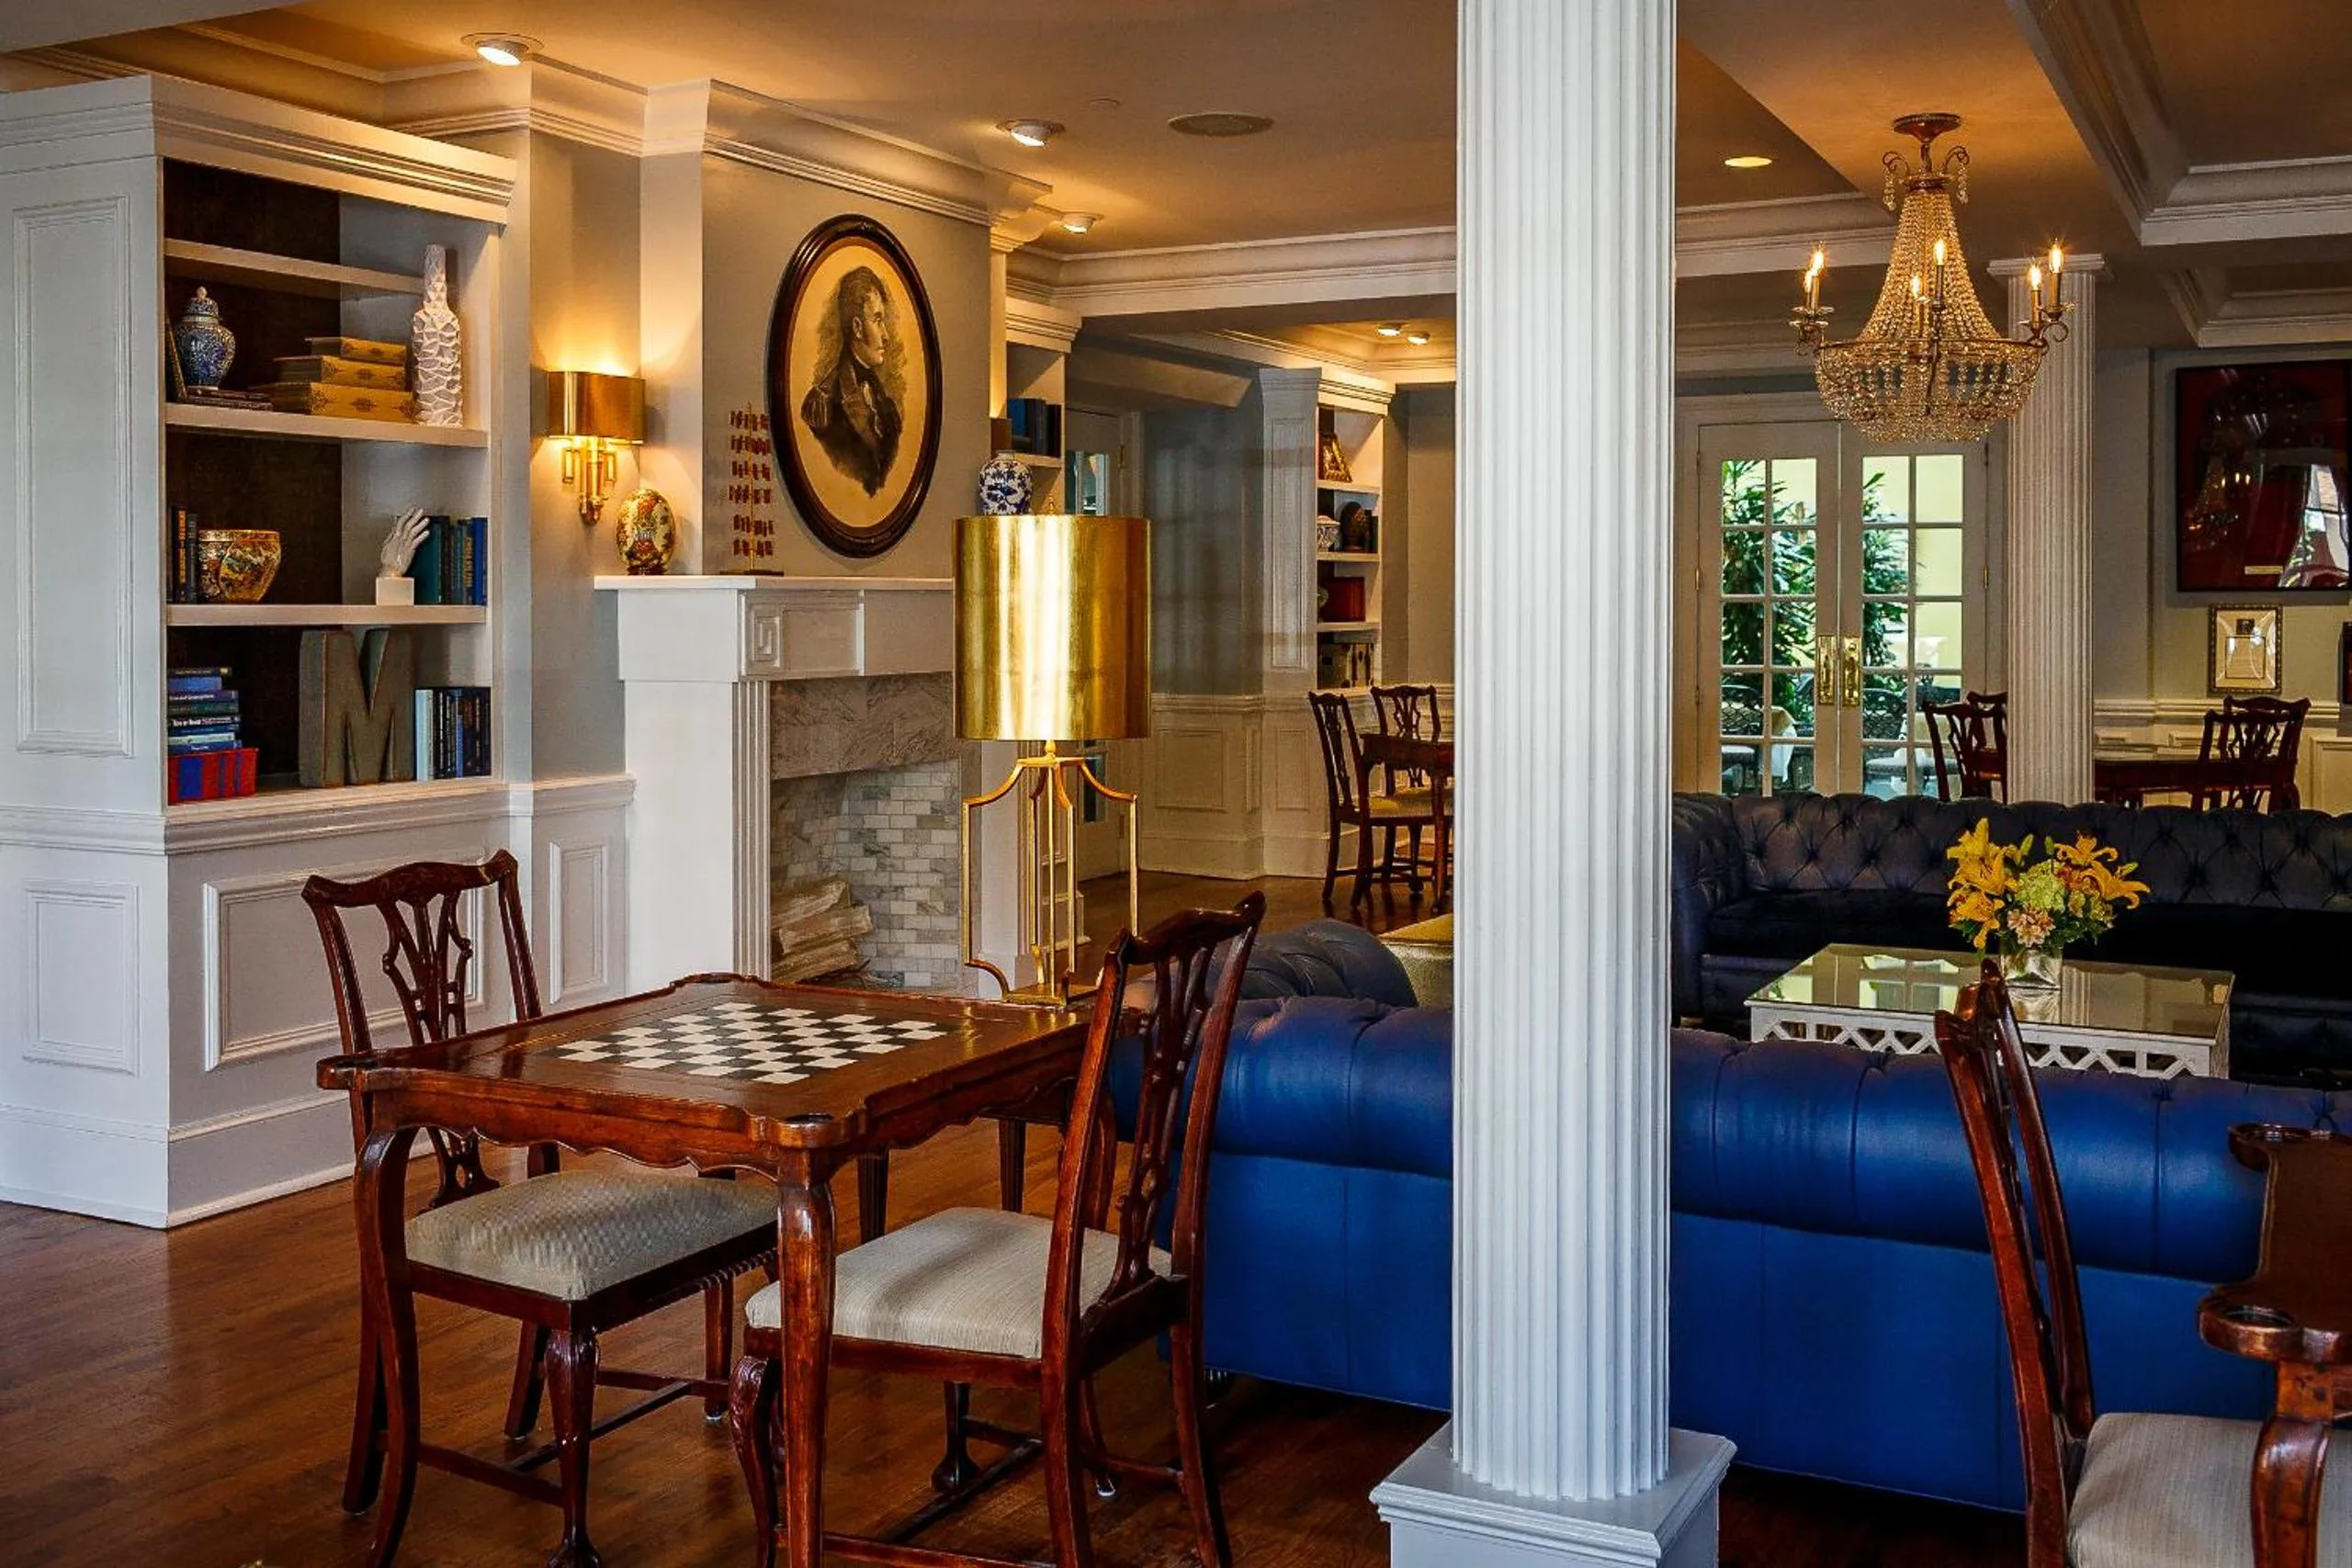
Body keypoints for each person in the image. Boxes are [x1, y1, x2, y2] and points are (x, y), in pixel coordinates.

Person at [799, 265, 901, 496]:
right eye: (877, 320)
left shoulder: (884, 401)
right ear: (857, 327)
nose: (885, 334)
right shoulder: (822, 403)